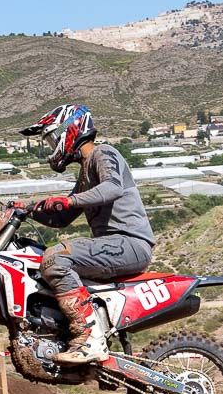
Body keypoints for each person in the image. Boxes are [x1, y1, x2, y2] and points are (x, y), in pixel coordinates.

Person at [19, 103, 155, 364]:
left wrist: (69, 201)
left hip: (130, 244)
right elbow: (60, 219)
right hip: (116, 245)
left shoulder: (103, 153)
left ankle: (90, 338)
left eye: (52, 138)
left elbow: (113, 187)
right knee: (44, 257)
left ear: (70, 131)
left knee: (56, 257)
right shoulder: (84, 174)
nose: (52, 146)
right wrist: (26, 209)